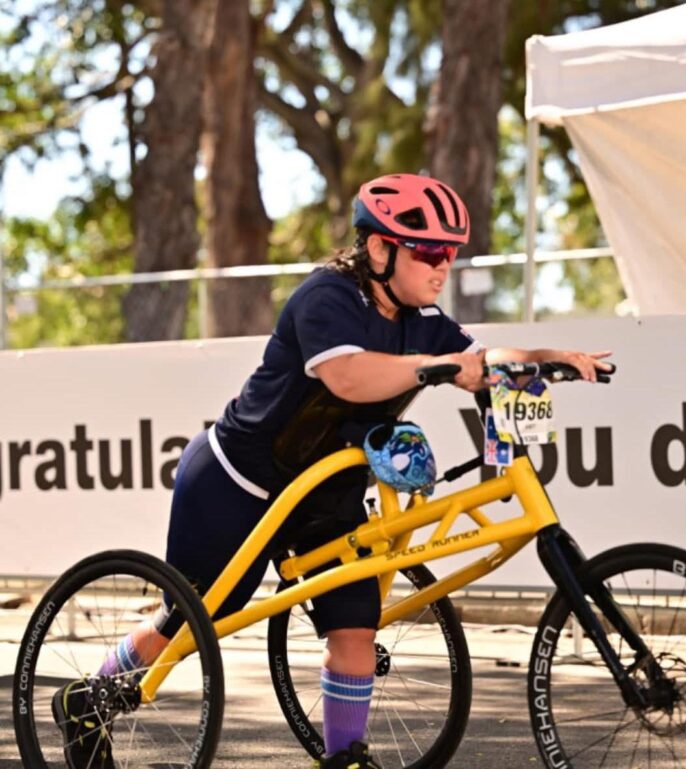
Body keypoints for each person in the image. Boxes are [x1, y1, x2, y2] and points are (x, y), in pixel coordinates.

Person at [52, 173, 612, 769]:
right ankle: (87, 701)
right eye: (428, 252)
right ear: (379, 248)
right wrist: (437, 366)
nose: (443, 265)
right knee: (195, 620)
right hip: (239, 483)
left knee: (354, 628)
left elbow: (479, 360)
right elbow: (348, 375)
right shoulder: (326, 297)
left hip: (326, 490)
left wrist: (554, 358)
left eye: (451, 253)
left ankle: (346, 758)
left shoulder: (422, 320)